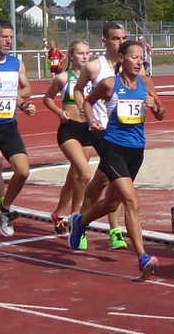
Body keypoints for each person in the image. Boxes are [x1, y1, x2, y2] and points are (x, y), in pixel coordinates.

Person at [69, 40, 165, 278]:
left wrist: (155, 107)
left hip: (136, 151)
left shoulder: (146, 83)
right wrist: (91, 120)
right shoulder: (110, 84)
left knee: (112, 203)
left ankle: (80, 222)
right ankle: (143, 257)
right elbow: (88, 102)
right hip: (113, 148)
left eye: (141, 57)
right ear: (122, 59)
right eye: (134, 57)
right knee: (131, 201)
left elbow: (162, 114)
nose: (139, 62)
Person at [73, 22, 128, 250]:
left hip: (124, 131)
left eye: (124, 38)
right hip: (101, 130)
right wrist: (86, 113)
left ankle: (80, 221)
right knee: (118, 180)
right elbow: (78, 89)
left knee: (103, 181)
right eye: (115, 38)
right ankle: (115, 231)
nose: (121, 42)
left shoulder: (131, 66)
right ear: (104, 41)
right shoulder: (95, 67)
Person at [43, 40, 93, 234]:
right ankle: (76, 217)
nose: (85, 56)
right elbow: (47, 98)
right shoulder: (63, 78)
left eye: (87, 53)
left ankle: (58, 213)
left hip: (88, 130)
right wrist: (59, 112)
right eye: (81, 53)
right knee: (85, 174)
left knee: (74, 177)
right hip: (69, 130)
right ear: (72, 55)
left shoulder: (94, 77)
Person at [0, 19, 36, 237]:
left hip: (8, 126)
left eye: (11, 37)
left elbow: (18, 92)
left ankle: (3, 208)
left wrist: (23, 104)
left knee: (23, 171)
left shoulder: (15, 63)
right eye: (4, 37)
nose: (8, 41)